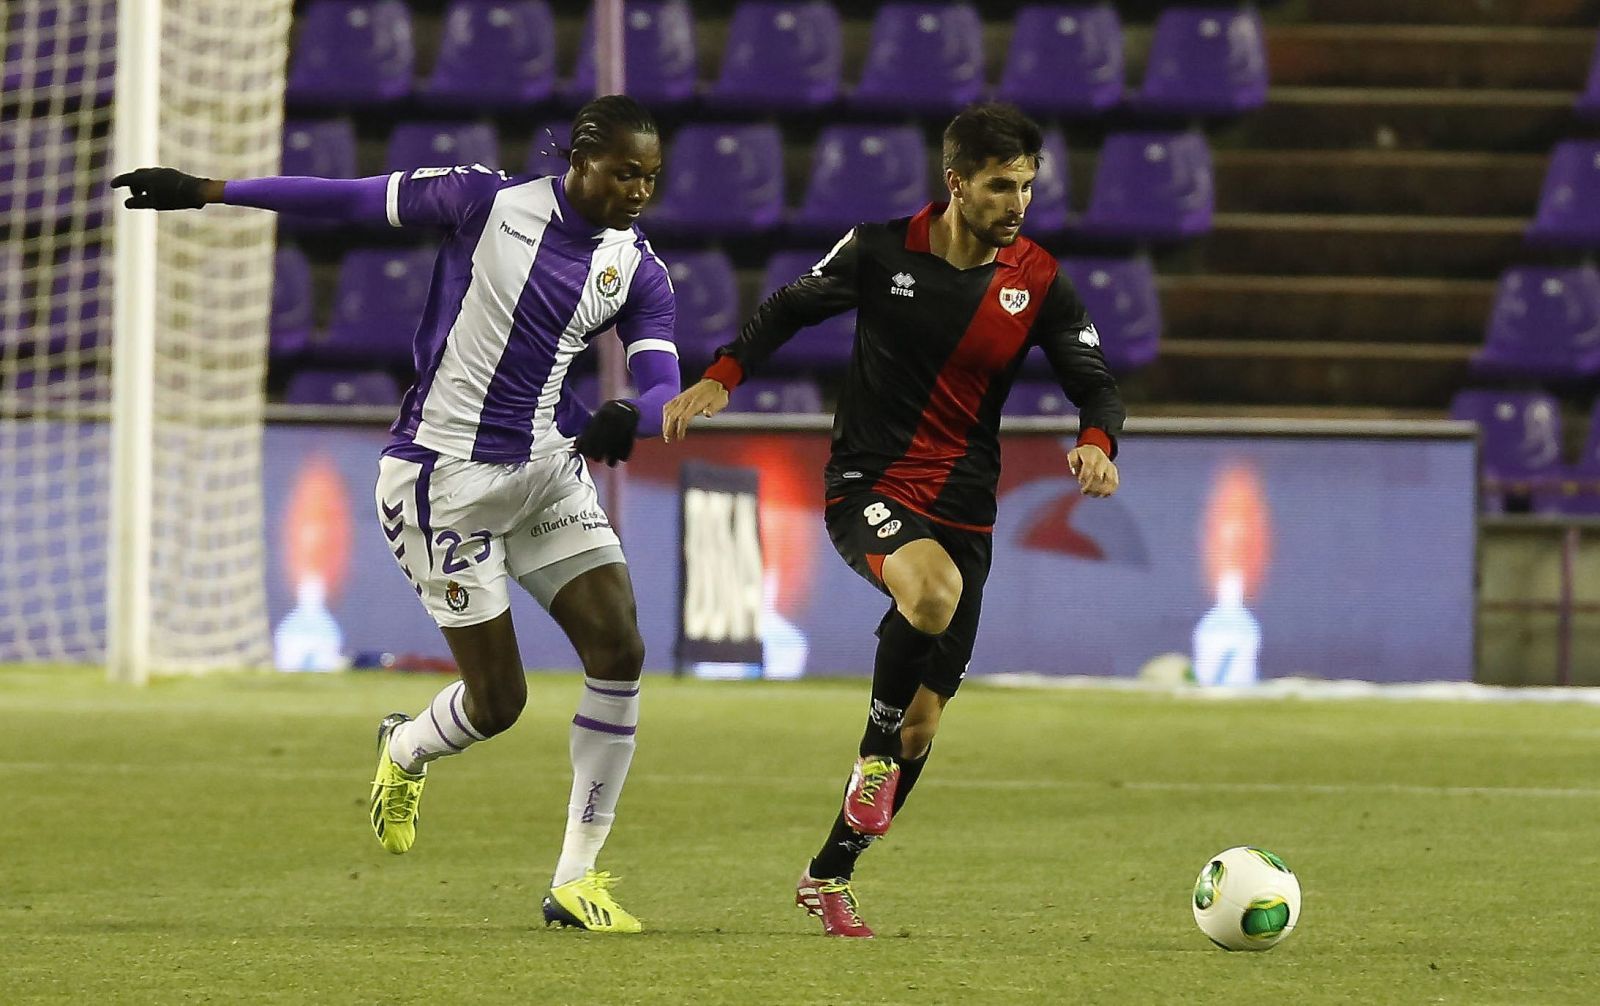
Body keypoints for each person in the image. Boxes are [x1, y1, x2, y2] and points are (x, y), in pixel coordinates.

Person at [114, 95, 679, 934]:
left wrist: (636, 409)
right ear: (580, 160)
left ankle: (577, 876)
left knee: (620, 647)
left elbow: (661, 370)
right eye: (624, 171)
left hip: (546, 476)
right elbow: (344, 197)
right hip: (438, 481)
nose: (638, 190)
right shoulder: (483, 201)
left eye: (651, 177)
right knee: (497, 705)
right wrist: (208, 189)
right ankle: (406, 748)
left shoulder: (637, 269)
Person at [663, 102, 1125, 938]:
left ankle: (828, 873)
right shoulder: (879, 249)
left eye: (1026, 185)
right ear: (955, 183)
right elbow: (791, 305)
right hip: (866, 482)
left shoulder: (1038, 279)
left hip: (965, 508)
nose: (1016, 202)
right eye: (998, 185)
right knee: (930, 595)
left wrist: (1097, 440)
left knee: (924, 725)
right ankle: (870, 757)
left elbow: (1094, 379)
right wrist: (723, 376)